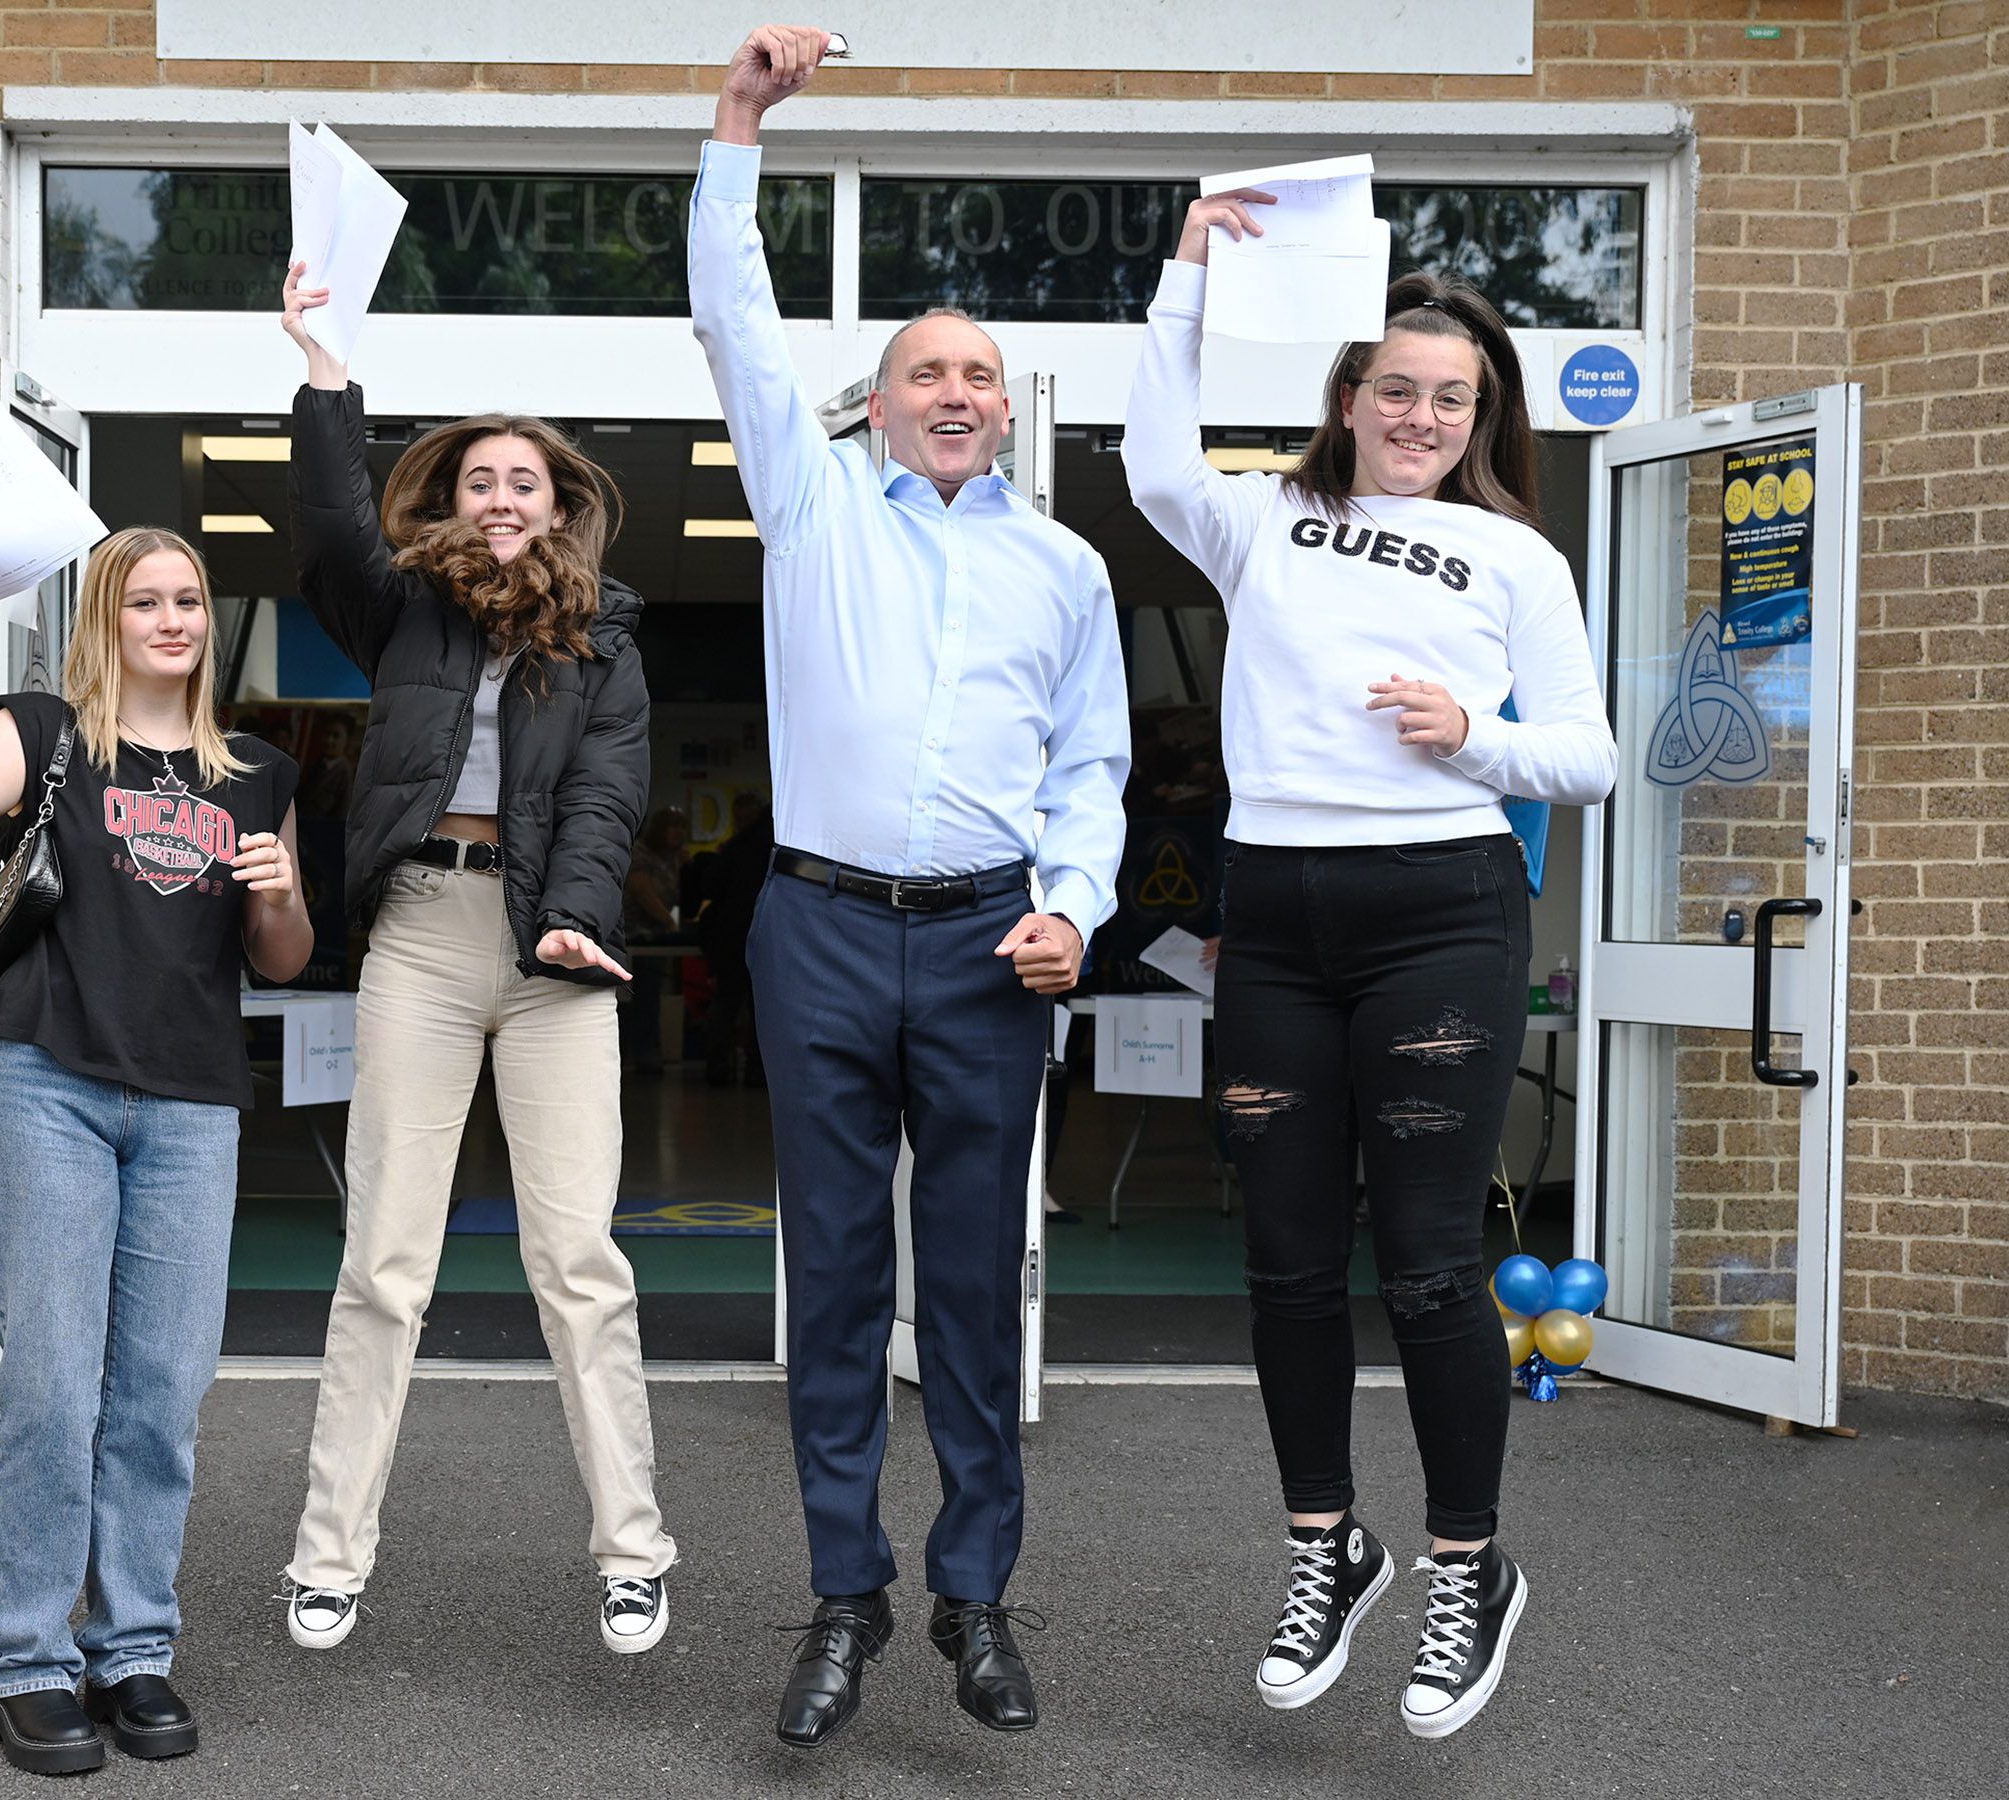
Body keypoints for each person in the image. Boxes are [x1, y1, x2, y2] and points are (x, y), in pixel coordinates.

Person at [1123, 188, 1617, 1740]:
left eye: (1448, 396)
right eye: (1393, 388)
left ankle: (1468, 1571)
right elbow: (1147, 457)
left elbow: (1591, 761)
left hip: (1441, 917)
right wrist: (1189, 267)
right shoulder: (1260, 516)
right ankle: (1327, 1546)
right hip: (1277, 919)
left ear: (1482, 414)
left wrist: (1476, 739)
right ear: (1349, 397)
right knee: (1280, 1263)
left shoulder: (1513, 558)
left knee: (1419, 1263)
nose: (1418, 414)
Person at [690, 24, 1131, 1748]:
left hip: (982, 945)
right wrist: (740, 124)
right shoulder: (810, 507)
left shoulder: (1066, 564)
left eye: (980, 376)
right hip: (813, 928)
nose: (956, 392)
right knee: (833, 1284)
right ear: (872, 401)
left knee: (970, 1288)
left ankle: (977, 1597)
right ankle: (842, 1598)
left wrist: (1076, 905)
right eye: (926, 371)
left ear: (1006, 406)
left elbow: (1091, 764)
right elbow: (734, 306)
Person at [275, 261, 679, 1660]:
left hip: (556, 953)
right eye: (478, 483)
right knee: (385, 1261)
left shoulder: (606, 641)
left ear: (561, 507)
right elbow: (328, 514)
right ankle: (329, 1557)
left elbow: (610, 795)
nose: (502, 500)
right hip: (423, 944)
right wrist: (328, 373)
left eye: (527, 484)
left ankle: (633, 1553)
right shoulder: (401, 611)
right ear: (449, 503)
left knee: (579, 1260)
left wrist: (578, 912)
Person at [0, 524, 310, 1775]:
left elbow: (278, 960)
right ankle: (28, 1659)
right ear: (106, 619)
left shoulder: (259, 774)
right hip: (49, 1088)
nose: (171, 620)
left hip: (189, 1107)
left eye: (188, 601)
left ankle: (132, 1649)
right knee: (55, 1389)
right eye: (144, 601)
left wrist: (280, 892)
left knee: (160, 1396)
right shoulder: (48, 733)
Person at [696, 790, 773, 1087]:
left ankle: (717, 1069)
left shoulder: (733, 848)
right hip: (765, 932)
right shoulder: (774, 847)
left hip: (731, 935)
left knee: (725, 1005)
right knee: (760, 1010)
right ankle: (757, 1074)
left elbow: (711, 886)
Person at [620, 805, 690, 1075]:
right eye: (672, 826)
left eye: (681, 827)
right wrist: (670, 922)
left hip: (657, 936)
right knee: (630, 999)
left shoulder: (674, 859)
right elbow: (642, 891)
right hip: (634, 936)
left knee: (650, 998)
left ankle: (647, 1053)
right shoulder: (641, 853)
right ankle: (632, 1054)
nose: (677, 833)